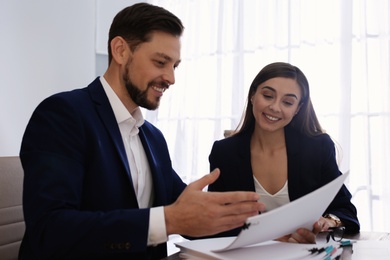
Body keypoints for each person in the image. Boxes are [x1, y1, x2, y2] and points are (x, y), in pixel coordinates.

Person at [18, 3, 265, 259]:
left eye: (175, 66)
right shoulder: (63, 115)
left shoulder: (153, 138)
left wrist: (268, 233)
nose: (171, 78)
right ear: (121, 51)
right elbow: (50, 230)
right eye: (160, 62)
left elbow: (192, 215)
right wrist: (167, 221)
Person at [208, 62, 360, 243]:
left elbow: (345, 209)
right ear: (252, 95)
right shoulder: (224, 152)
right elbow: (214, 221)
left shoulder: (317, 148)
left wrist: (328, 221)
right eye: (267, 95)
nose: (275, 107)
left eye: (287, 102)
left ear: (297, 109)